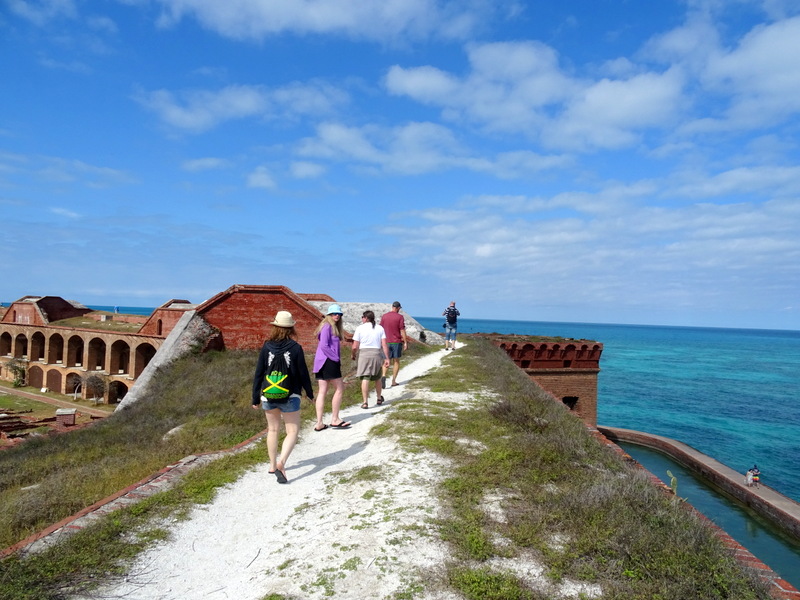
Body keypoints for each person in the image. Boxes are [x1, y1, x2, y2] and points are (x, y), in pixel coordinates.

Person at [251, 310, 314, 484]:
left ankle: (272, 465)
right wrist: (309, 393)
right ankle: (282, 462)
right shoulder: (296, 348)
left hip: (268, 394)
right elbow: (303, 374)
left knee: (272, 430)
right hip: (291, 394)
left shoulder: (266, 346)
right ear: (291, 328)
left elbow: (258, 373)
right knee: (292, 431)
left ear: (275, 327)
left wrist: (255, 397)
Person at [312, 304, 351, 430]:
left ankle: (319, 423)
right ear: (329, 315)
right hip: (328, 361)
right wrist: (335, 358)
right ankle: (334, 419)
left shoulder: (330, 326)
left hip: (322, 361)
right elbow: (324, 345)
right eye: (334, 314)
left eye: (339, 314)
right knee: (339, 388)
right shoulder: (327, 326)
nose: (337, 316)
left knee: (323, 391)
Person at [351, 310, 390, 409]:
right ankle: (378, 398)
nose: (362, 319)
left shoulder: (360, 328)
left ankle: (365, 402)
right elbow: (384, 344)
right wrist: (387, 358)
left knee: (365, 378)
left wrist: (353, 355)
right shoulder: (380, 328)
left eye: (362, 317)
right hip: (376, 353)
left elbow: (355, 346)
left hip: (364, 354)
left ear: (366, 318)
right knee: (377, 378)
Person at [380, 300, 408, 388]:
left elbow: (380, 328)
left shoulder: (384, 316)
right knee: (396, 361)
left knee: (386, 360)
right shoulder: (400, 317)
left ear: (392, 307)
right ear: (398, 308)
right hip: (396, 342)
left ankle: (383, 375)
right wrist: (405, 342)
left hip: (386, 342)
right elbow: (402, 330)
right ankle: (393, 381)